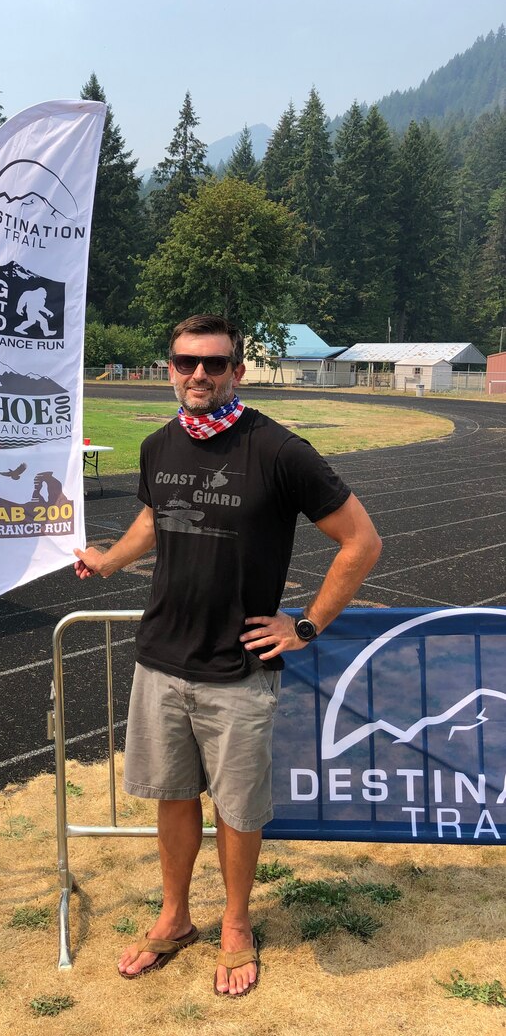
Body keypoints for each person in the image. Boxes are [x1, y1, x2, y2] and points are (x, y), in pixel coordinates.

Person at [73, 313, 381, 997]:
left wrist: (307, 625)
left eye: (214, 364)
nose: (199, 375)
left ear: (237, 371)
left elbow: (361, 541)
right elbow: (156, 520)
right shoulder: (159, 447)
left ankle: (236, 924)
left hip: (238, 670)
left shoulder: (278, 451)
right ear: (170, 369)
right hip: (161, 659)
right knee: (173, 797)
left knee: (237, 810)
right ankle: (176, 917)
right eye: (186, 363)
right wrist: (106, 560)